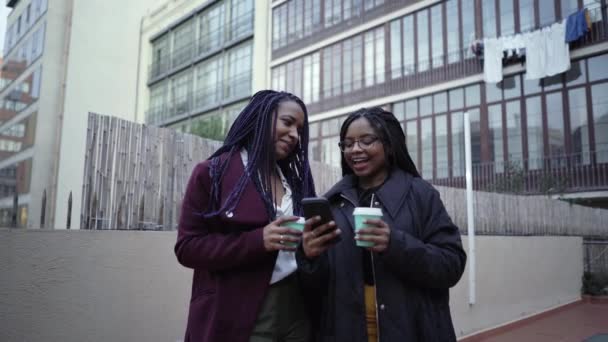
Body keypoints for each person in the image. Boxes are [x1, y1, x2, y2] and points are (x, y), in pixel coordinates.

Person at [297, 107, 466, 341]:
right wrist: (309, 258)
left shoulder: (421, 195)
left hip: (412, 330)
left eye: (366, 141)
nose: (355, 149)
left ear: (388, 144)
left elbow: (452, 265)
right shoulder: (332, 204)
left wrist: (394, 244)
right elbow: (316, 290)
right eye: (347, 143)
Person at [175, 90, 316, 342]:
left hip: (298, 307)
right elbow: (187, 248)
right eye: (287, 122)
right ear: (261, 118)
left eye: (299, 129)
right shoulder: (212, 174)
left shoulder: (295, 182)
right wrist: (257, 240)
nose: (295, 135)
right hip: (239, 311)